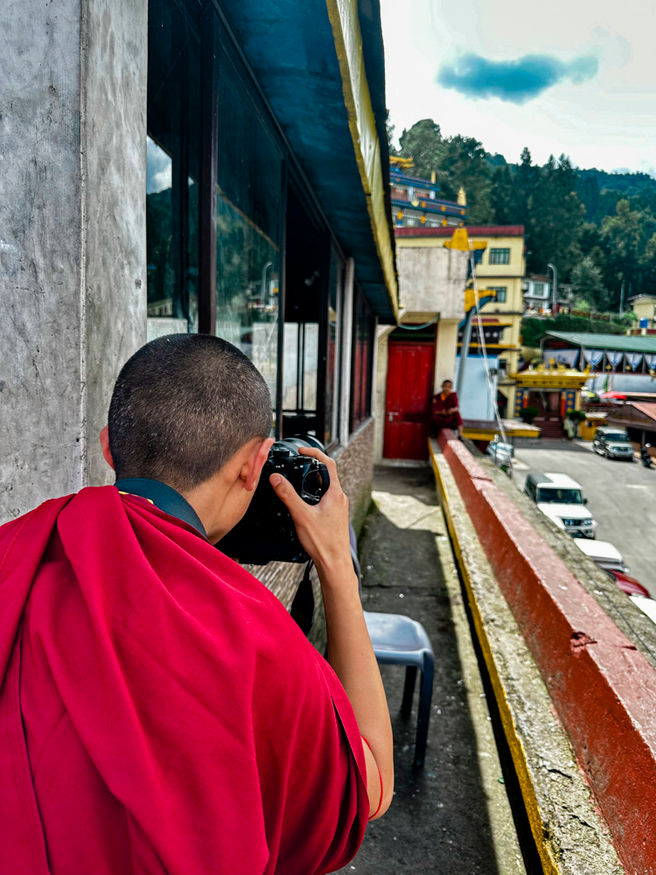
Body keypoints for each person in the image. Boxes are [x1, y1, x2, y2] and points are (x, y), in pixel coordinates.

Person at [0, 334, 393, 874]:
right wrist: (337, 566)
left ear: (108, 447)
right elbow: (371, 786)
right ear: (255, 467)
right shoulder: (261, 641)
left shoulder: (15, 553)